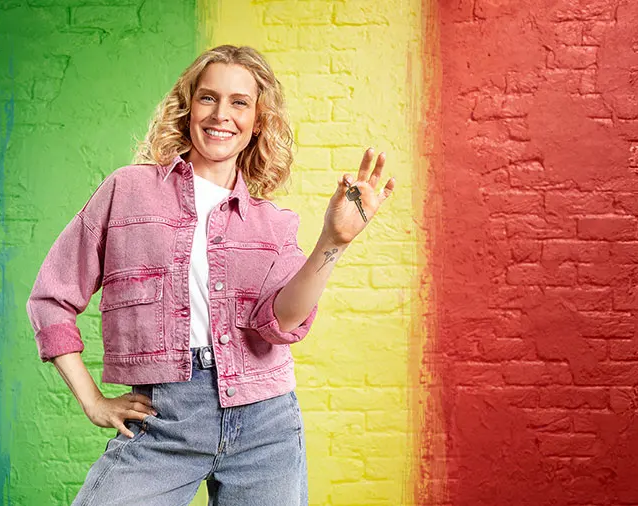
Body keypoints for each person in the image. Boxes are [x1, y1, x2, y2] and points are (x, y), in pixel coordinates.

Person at [26, 44, 396, 505]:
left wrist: (333, 241)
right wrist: (93, 400)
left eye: (239, 102)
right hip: (163, 417)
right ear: (188, 107)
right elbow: (50, 298)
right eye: (208, 98)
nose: (222, 114)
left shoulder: (274, 223)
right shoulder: (128, 191)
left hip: (266, 425)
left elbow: (278, 324)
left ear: (257, 120)